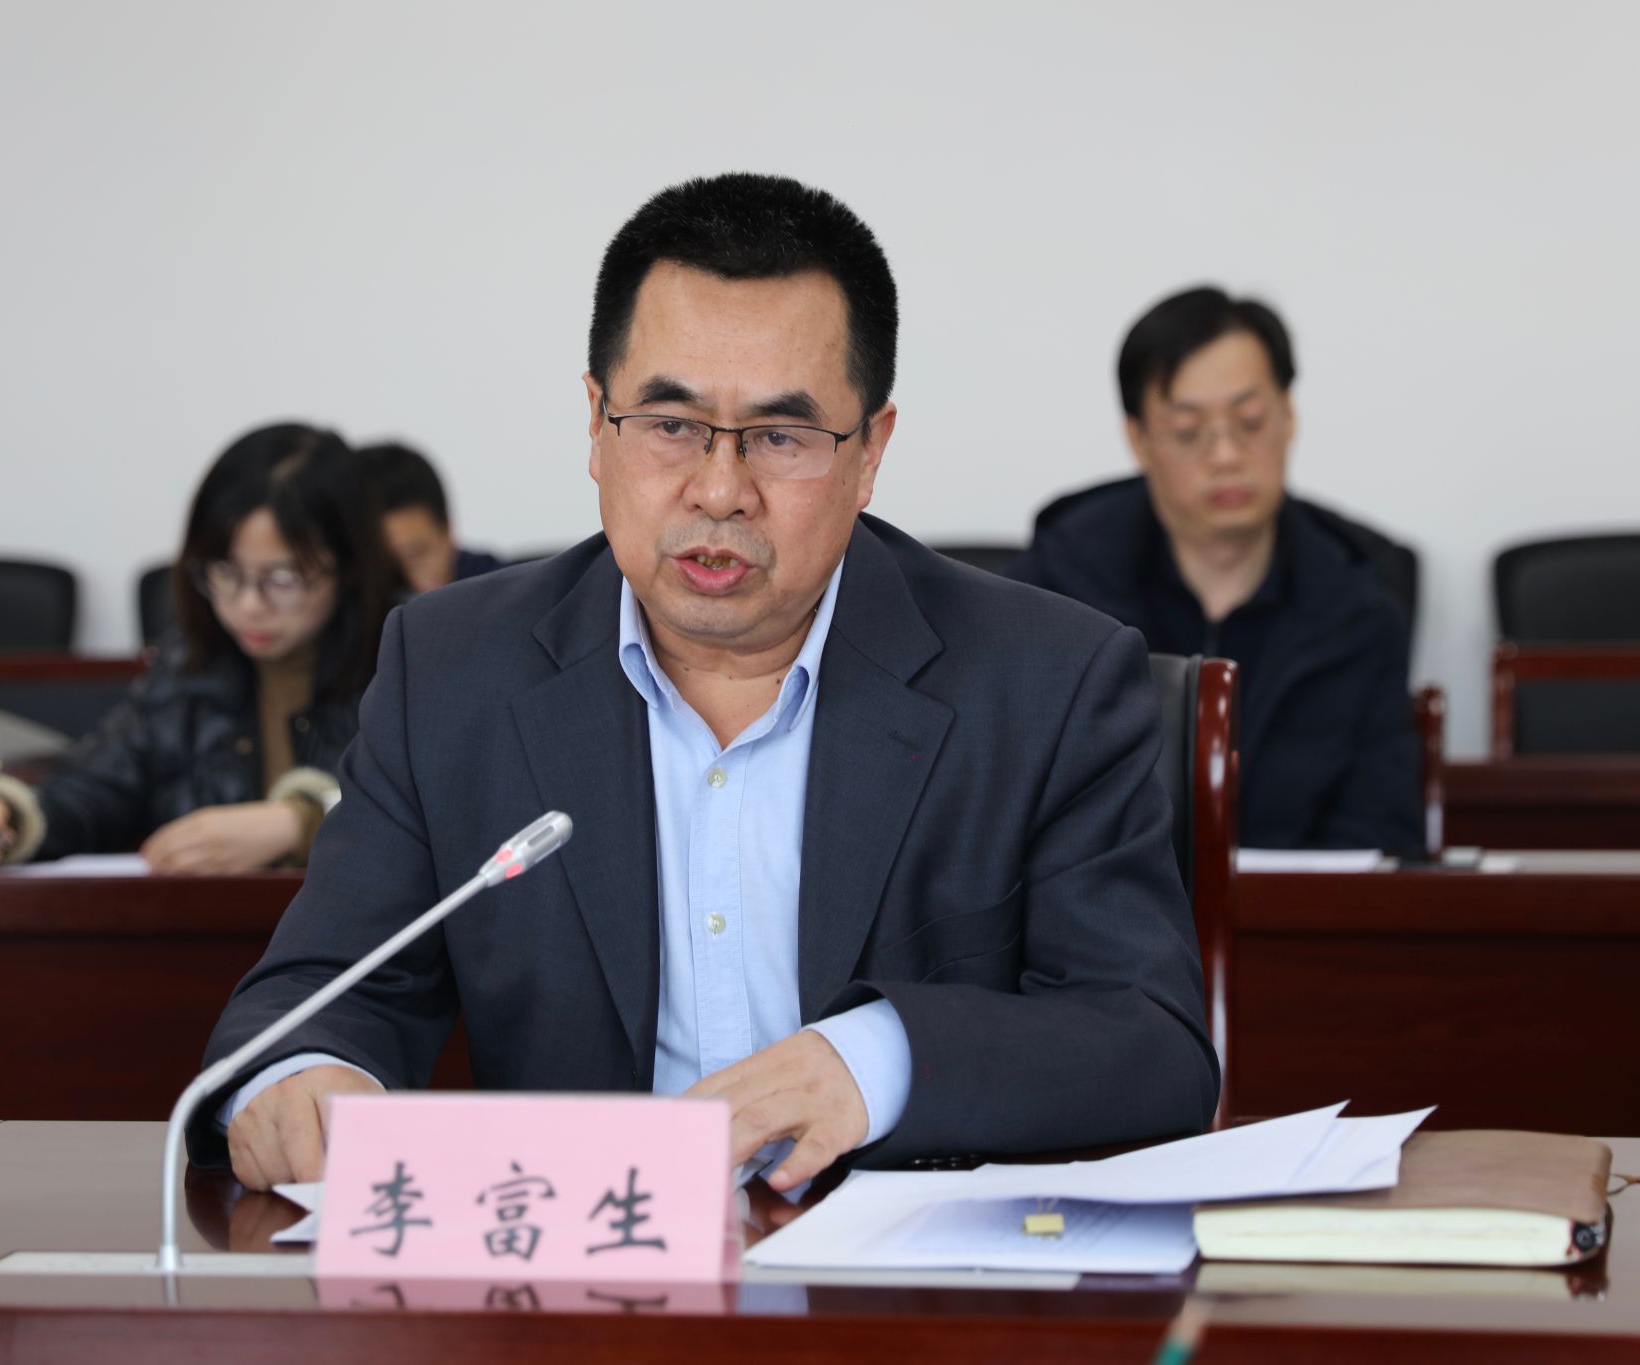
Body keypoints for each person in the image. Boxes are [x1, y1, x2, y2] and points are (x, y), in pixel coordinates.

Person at [194, 173, 1217, 1193]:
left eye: (782, 437)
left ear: (870, 453)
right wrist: (302, 1076)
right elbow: (319, 992)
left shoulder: (1047, 682)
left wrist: (875, 1061)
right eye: (670, 424)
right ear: (596, 423)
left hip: (899, 1276)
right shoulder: (453, 671)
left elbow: (1148, 1041)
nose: (720, 491)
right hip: (580, 1266)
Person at [1005, 286, 1421, 851]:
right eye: (1188, 431)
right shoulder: (1053, 594)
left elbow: (1382, 832)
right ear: (1138, 439)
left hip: (1293, 909)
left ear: (1288, 415)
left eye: (1250, 421)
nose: (1226, 456)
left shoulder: (1360, 612)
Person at [0, 423, 400, 874]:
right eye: (224, 572)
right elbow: (97, 786)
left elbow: (423, 804)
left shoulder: (410, 657)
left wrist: (302, 821)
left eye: (283, 578)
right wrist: (5, 819)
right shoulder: (190, 664)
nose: (248, 605)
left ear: (350, 565)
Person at [358, 441, 503, 594]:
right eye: (387, 563)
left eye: (416, 555)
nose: (407, 576)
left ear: (447, 529)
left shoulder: (502, 592)